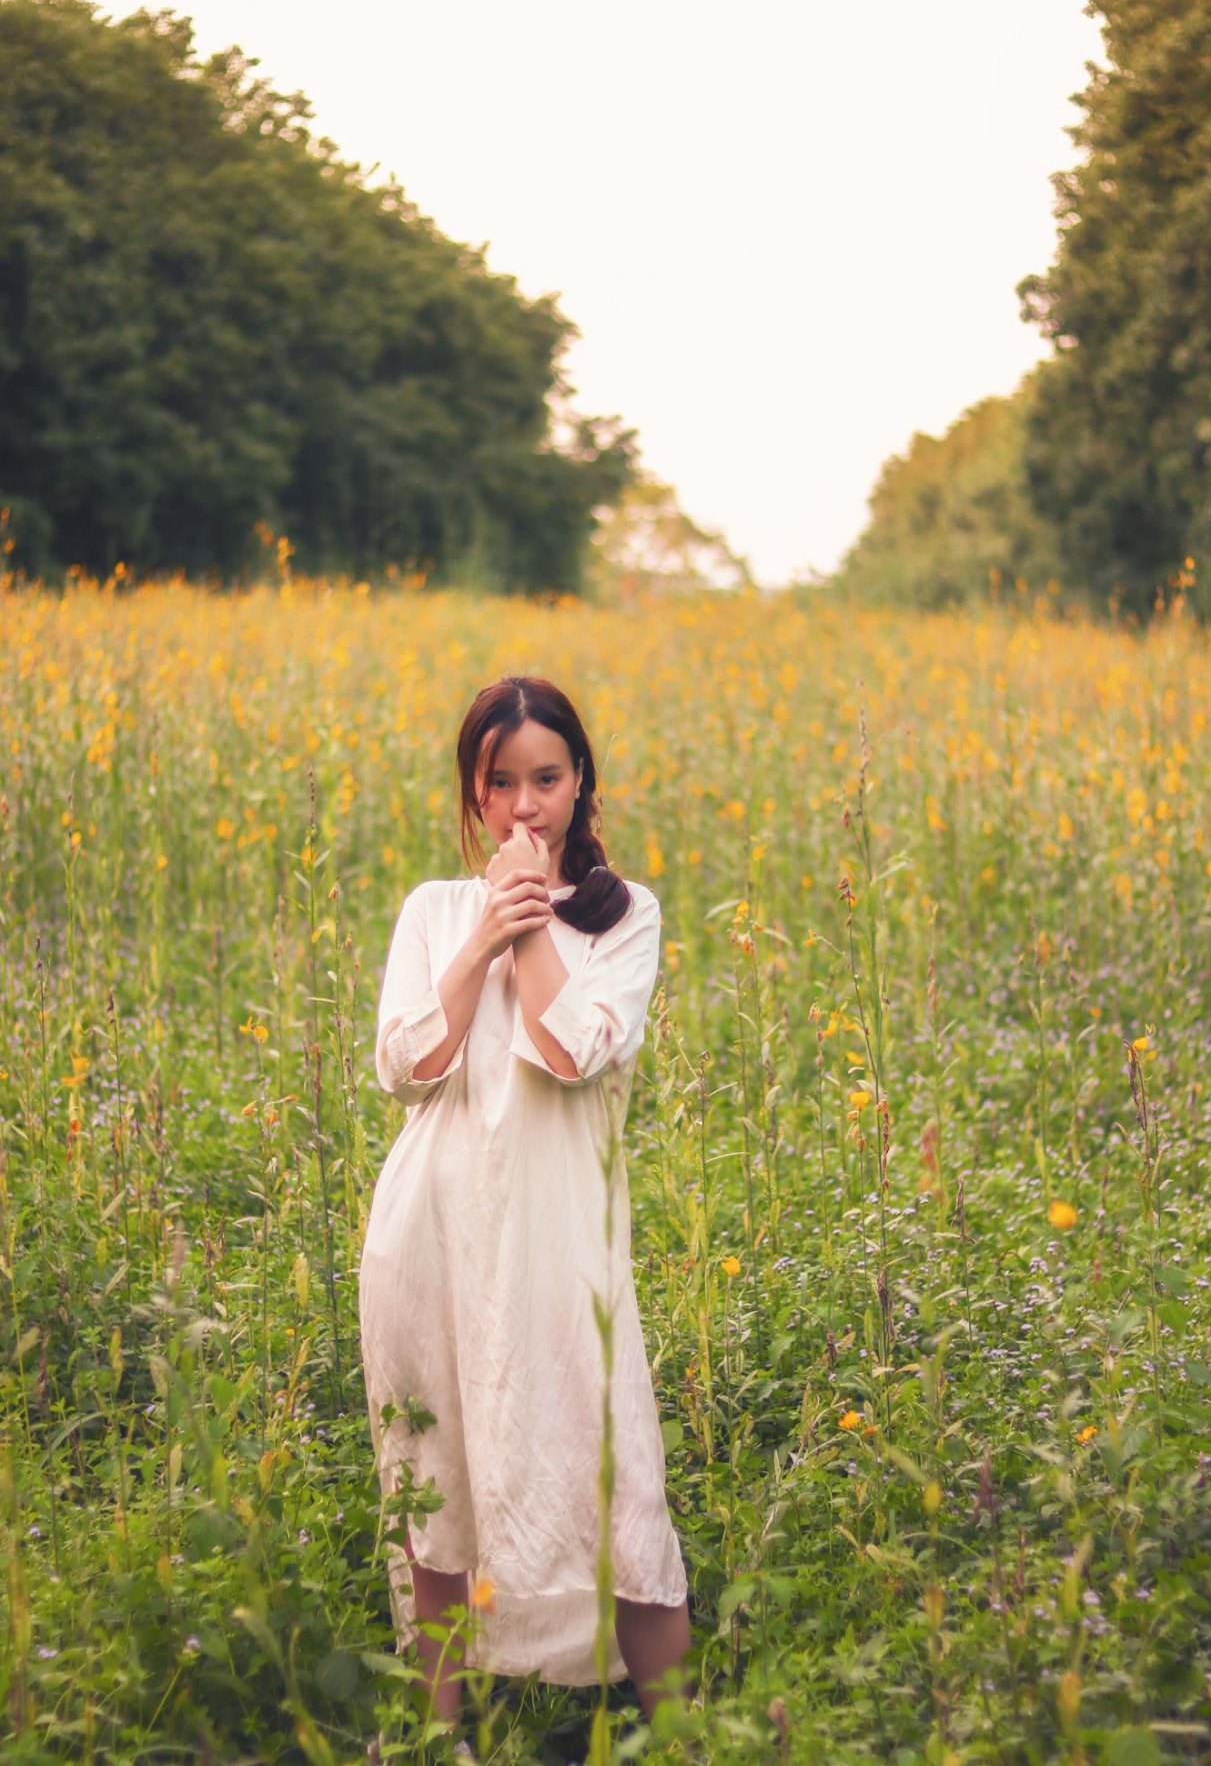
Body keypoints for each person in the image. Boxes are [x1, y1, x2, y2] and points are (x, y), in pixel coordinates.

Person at [359, 675, 691, 1730]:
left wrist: (532, 928)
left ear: (581, 782)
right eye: (499, 784)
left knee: (618, 1481)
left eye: (545, 779)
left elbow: (574, 1051)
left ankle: (681, 1734)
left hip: (561, 1246)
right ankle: (441, 1736)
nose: (523, 807)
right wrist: (479, 940)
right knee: (440, 1484)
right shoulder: (433, 911)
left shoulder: (624, 915)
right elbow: (405, 1066)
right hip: (433, 1235)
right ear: (472, 794)